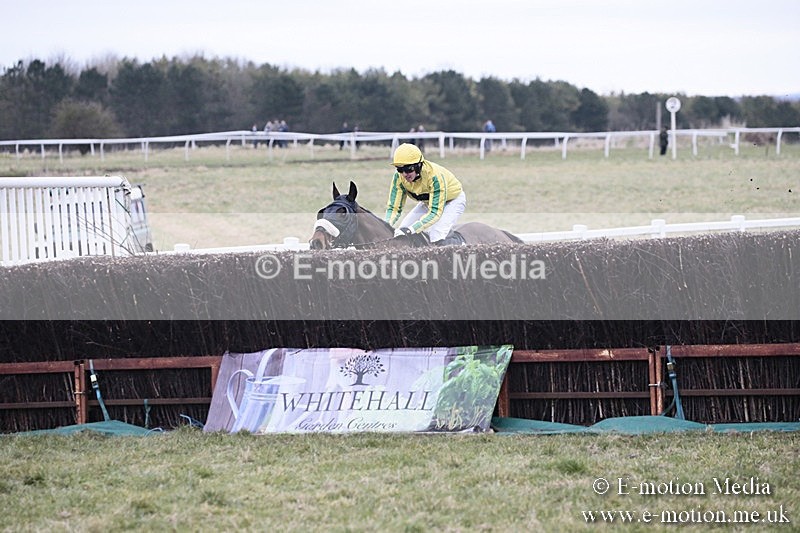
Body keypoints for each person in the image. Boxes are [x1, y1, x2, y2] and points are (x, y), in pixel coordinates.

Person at [385, 143, 466, 246]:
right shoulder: (398, 178)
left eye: (408, 169)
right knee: (402, 231)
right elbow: (394, 208)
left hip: (453, 201)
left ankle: (463, 247)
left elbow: (434, 212)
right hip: (428, 202)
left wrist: (412, 229)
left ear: (418, 166)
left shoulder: (434, 177)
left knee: (436, 234)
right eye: (400, 169)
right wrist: (385, 227)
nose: (405, 174)